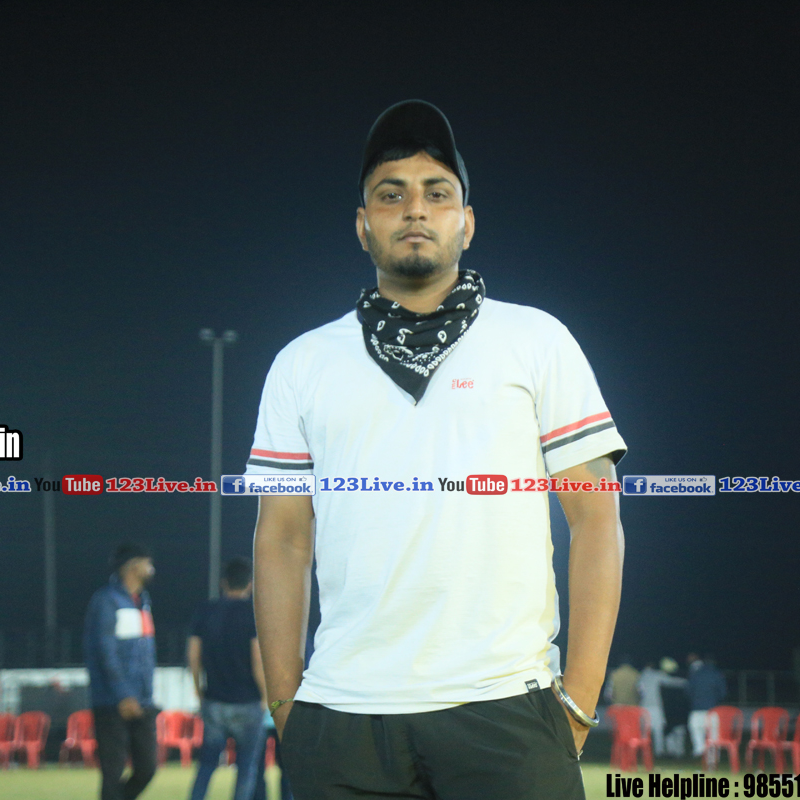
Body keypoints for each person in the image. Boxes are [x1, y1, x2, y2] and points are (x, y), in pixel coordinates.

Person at [250, 99, 628, 800]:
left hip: (506, 710)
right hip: (344, 717)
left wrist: (577, 703)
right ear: (363, 225)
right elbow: (282, 539)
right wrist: (286, 706)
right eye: (391, 195)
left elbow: (596, 518)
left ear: (467, 222)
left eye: (437, 193)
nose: (415, 210)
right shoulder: (302, 363)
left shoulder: (537, 340)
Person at [83, 542, 158, 800]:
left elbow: (145, 655)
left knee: (147, 768)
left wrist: (145, 695)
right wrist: (123, 695)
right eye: (148, 563)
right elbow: (105, 653)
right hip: (111, 702)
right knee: (113, 772)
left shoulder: (143, 602)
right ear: (133, 566)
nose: (152, 569)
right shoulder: (106, 601)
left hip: (142, 700)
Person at [188, 557, 267, 800]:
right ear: (250, 584)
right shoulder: (253, 613)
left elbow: (193, 655)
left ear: (223, 583)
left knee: (206, 765)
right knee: (246, 769)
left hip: (214, 700)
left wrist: (198, 688)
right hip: (248, 702)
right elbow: (257, 659)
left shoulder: (205, 610)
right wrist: (265, 696)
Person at [637, 658, 687, 756]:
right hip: (655, 706)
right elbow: (671, 681)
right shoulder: (656, 675)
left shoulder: (640, 676)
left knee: (644, 730)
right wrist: (685, 682)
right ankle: (659, 751)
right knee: (658, 730)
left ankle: (643, 750)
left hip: (643, 707)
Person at [686, 654, 727, 758]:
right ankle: (714, 754)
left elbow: (688, 691)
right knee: (713, 732)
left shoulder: (695, 673)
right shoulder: (717, 673)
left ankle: (699, 749)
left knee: (695, 729)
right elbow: (723, 693)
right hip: (713, 708)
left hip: (697, 708)